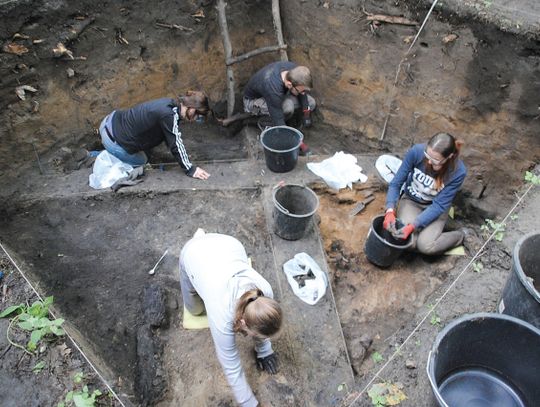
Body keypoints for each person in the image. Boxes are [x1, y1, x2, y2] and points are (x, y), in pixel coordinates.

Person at [179, 231, 282, 407]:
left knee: (254, 323)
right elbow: (230, 363)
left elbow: (260, 324)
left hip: (230, 246)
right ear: (241, 322)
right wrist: (249, 403)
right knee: (195, 311)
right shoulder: (222, 315)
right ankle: (199, 238)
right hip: (193, 254)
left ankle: (205, 237)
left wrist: (265, 350)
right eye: (256, 335)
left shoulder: (265, 292)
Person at [383, 132, 467, 255]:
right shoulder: (416, 152)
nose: (429, 162)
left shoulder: (458, 172)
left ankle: (460, 235)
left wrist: (413, 226)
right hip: (412, 201)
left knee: (426, 246)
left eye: (435, 161)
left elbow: (438, 206)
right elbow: (396, 184)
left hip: (435, 208)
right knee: (408, 243)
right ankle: (440, 225)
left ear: (449, 157)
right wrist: (390, 210)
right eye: (427, 156)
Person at [98, 91, 210, 179]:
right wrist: (190, 169)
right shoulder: (168, 115)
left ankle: (106, 153)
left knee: (145, 151)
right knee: (142, 161)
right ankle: (96, 157)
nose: (196, 119)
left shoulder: (170, 104)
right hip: (112, 139)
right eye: (197, 115)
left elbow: (168, 136)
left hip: (110, 122)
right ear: (191, 109)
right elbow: (175, 143)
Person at [243, 61, 316, 154]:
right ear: (289, 84)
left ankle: (290, 122)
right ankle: (266, 123)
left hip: (276, 96)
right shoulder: (273, 88)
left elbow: (302, 93)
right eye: (300, 90)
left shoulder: (295, 71)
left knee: (311, 102)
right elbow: (279, 121)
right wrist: (300, 145)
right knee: (288, 107)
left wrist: (306, 115)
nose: (303, 92)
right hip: (253, 102)